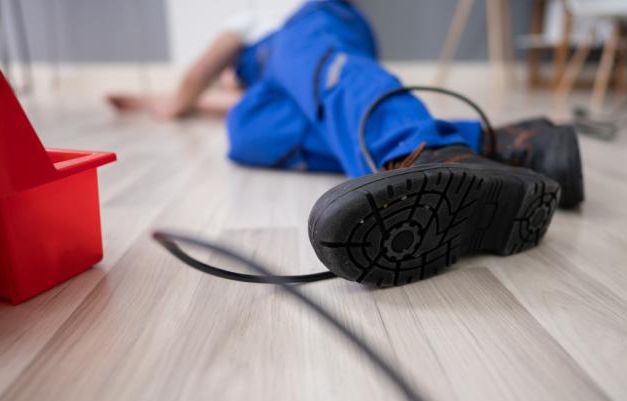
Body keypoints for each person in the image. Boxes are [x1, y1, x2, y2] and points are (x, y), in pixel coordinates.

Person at [111, 0, 584, 287]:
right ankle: (510, 143)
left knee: (325, 72)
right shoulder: (262, 80)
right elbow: (225, 101)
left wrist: (172, 102)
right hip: (295, 76)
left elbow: (199, 75)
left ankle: (425, 152)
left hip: (320, 22)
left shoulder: (257, 24)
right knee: (246, 132)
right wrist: (159, 100)